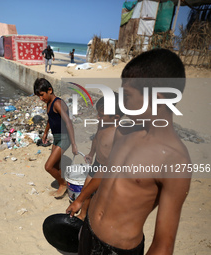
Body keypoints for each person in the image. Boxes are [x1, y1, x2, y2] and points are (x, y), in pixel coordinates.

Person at [67, 48, 191, 255]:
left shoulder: (174, 159)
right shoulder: (124, 131)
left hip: (119, 249)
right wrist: (81, 199)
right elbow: (106, 173)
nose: (122, 103)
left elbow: (163, 244)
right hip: (89, 231)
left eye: (128, 96)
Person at [67, 93, 123, 221]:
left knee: (102, 196)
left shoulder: (118, 135)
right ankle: (82, 215)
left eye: (102, 115)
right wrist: (91, 154)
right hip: (97, 163)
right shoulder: (102, 124)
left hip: (108, 171)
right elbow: (97, 139)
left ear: (116, 117)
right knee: (87, 191)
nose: (98, 117)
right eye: (98, 113)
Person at [34, 78, 78, 198]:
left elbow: (68, 123)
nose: (41, 99)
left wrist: (74, 144)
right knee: (56, 165)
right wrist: (45, 133)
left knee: (48, 166)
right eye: (39, 96)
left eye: (42, 95)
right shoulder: (48, 103)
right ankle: (66, 186)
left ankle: (63, 184)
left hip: (64, 138)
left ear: (50, 90)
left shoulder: (58, 103)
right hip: (56, 137)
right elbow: (51, 119)